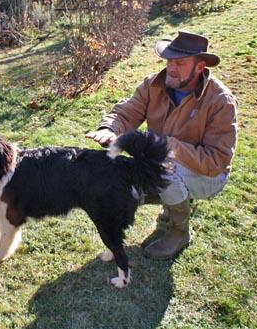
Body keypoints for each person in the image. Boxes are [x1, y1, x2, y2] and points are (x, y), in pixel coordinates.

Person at [86, 31, 238, 260]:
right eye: (169, 61)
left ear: (199, 67)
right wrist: (109, 129)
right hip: (165, 161)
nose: (171, 68)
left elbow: (216, 162)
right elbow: (127, 112)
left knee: (164, 170)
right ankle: (176, 199)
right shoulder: (153, 85)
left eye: (180, 63)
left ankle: (179, 233)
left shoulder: (220, 101)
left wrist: (168, 146)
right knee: (126, 173)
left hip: (209, 177)